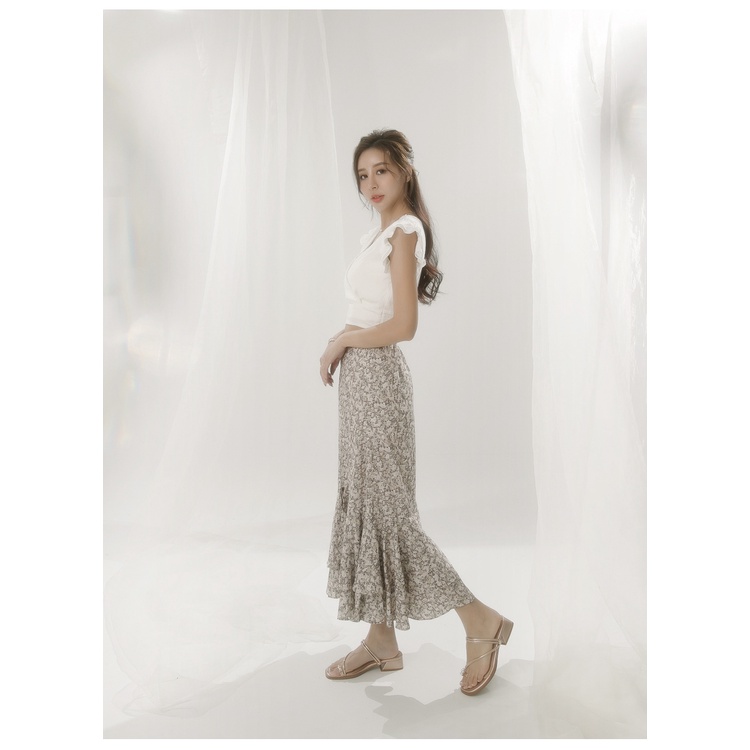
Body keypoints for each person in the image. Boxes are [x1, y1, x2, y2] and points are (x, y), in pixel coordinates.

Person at [318, 129, 512, 696]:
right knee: (370, 508)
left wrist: (342, 342)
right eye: (362, 175)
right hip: (360, 381)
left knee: (393, 516)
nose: (370, 184)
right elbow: (370, 312)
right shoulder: (377, 235)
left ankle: (481, 619)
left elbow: (404, 325)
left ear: (404, 171)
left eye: (381, 170)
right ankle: (382, 640)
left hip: (378, 380)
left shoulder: (405, 231)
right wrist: (341, 339)